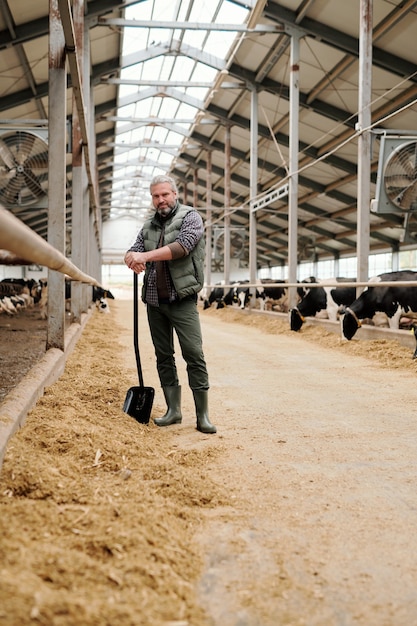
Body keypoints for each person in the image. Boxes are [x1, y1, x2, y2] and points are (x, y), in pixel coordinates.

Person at [124, 174, 217, 434]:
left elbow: (182, 247)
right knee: (163, 356)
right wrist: (131, 258)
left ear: (175, 194)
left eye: (165, 194)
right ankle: (173, 411)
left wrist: (145, 255)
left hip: (182, 300)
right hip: (155, 302)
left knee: (193, 354)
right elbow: (134, 249)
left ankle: (203, 416)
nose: (161, 199)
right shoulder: (148, 226)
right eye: (156, 196)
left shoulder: (191, 217)